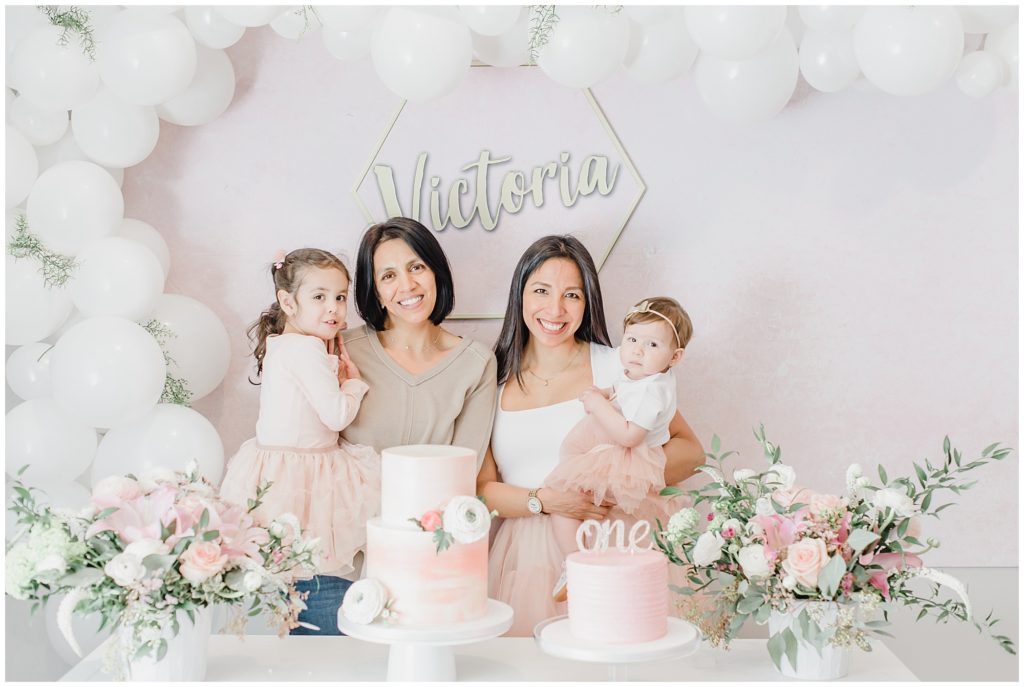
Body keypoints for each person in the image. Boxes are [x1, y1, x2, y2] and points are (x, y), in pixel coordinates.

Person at [478, 235, 705, 636]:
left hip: (618, 540)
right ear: (519, 295)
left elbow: (691, 451)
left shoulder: (619, 366)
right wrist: (544, 500)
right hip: (529, 558)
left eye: (572, 295)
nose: (555, 309)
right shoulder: (491, 381)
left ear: (588, 303)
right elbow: (483, 490)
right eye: (541, 291)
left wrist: (613, 484)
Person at [220, 248, 379, 636]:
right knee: (316, 572)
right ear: (288, 302)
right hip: (307, 478)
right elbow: (336, 416)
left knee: (293, 580)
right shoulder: (306, 349)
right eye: (319, 297)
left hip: (276, 474)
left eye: (341, 297)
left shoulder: (281, 344)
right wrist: (354, 384)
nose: (334, 309)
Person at [342, 216, 498, 465]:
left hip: (436, 503)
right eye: (388, 276)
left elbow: (465, 469)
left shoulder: (477, 363)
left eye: (416, 267)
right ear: (376, 293)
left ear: (436, 272)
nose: (407, 285)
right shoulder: (343, 350)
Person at [545, 296, 694, 555]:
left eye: (653, 344)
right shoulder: (645, 375)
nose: (638, 350)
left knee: (564, 493)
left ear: (675, 356)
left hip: (628, 458)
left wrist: (597, 404)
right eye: (632, 339)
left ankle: (573, 560)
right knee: (573, 501)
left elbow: (629, 436)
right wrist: (605, 391)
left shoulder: (653, 392)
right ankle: (577, 559)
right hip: (622, 455)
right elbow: (624, 387)